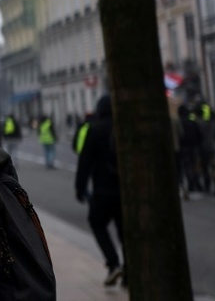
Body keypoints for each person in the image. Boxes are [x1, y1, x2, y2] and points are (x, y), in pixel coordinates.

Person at [74, 94, 125, 287]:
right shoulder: (122, 128)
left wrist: (80, 188)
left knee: (97, 223)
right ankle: (128, 270)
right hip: (123, 190)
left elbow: (84, 162)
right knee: (124, 230)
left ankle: (113, 263)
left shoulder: (94, 131)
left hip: (103, 190)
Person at [177, 104, 202, 194]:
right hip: (194, 146)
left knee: (187, 166)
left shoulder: (180, 122)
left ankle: (191, 183)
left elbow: (179, 135)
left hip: (184, 147)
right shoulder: (192, 121)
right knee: (195, 165)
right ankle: (197, 182)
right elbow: (199, 133)